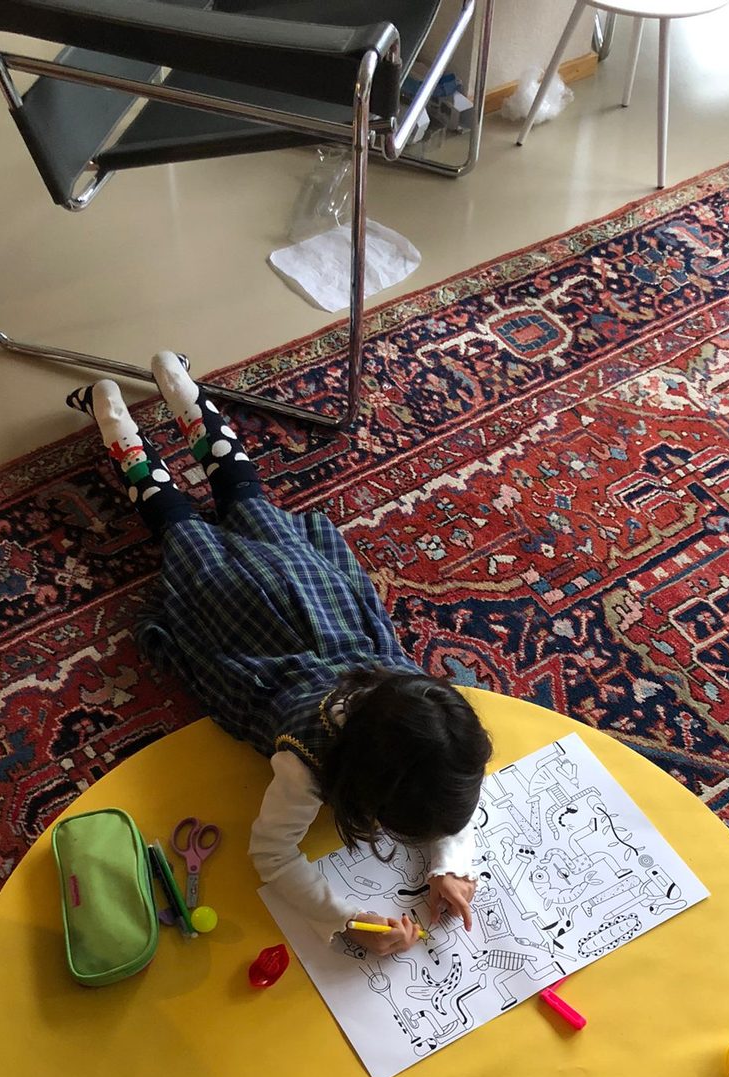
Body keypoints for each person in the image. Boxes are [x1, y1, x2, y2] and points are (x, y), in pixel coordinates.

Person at [68, 352, 492, 955]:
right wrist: (348, 918)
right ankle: (115, 419)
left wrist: (450, 861)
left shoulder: (419, 700)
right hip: (233, 611)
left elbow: (446, 785)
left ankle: (172, 387)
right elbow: (271, 853)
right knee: (177, 521)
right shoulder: (304, 767)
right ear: (360, 790)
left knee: (242, 494)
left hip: (312, 595)